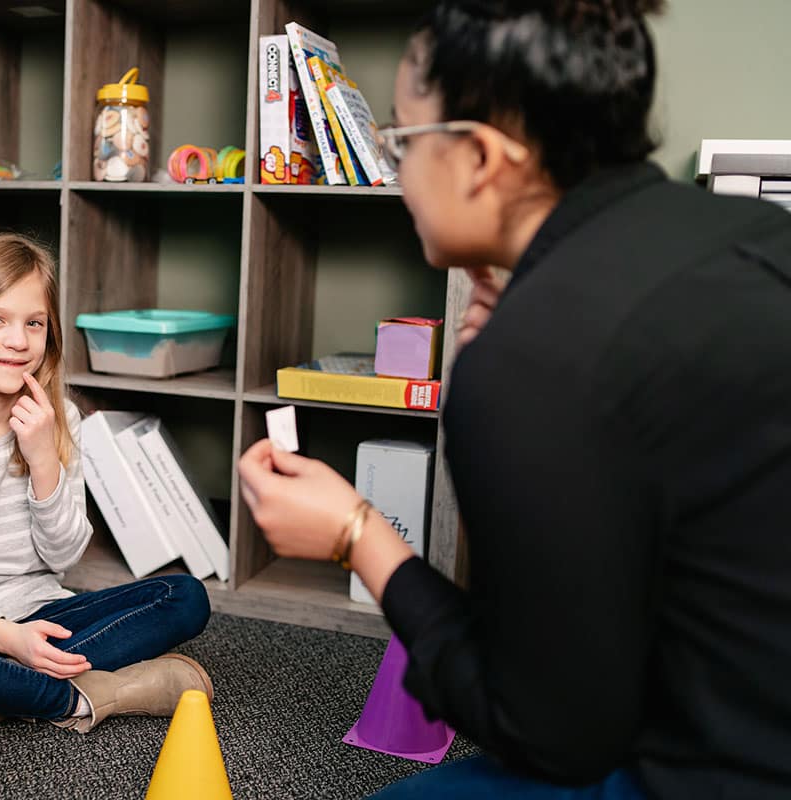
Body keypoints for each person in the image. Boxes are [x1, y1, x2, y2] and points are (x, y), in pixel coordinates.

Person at [239, 1, 791, 797]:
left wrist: (359, 535)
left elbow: (552, 736)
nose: (396, 174)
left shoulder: (534, 359)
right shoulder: (751, 232)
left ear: (481, 159)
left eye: (401, 142)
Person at [0, 233, 212, 747]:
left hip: (40, 611)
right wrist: (4, 637)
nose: (18, 340)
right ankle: (85, 697)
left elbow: (64, 554)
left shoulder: (60, 420)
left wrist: (44, 459)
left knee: (184, 597)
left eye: (34, 323)